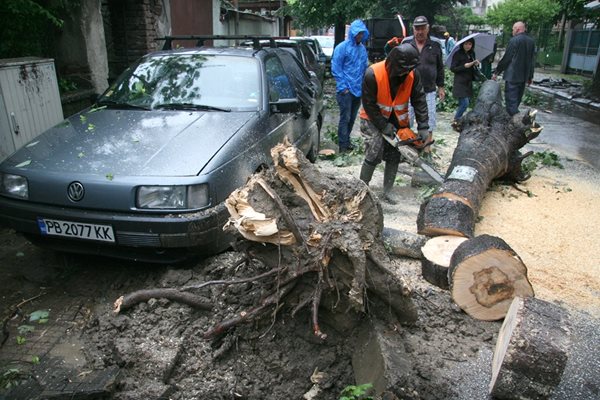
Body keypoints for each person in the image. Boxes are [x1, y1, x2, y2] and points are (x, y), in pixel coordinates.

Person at [358, 44, 429, 204]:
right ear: (394, 65)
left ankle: (388, 191)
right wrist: (383, 125)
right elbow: (369, 104)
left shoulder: (412, 75)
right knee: (374, 150)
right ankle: (362, 188)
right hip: (372, 117)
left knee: (395, 152)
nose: (405, 73)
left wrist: (423, 126)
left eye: (408, 70)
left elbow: (419, 100)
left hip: (397, 118)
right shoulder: (373, 74)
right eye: (403, 70)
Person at [403, 16, 445, 157]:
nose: (419, 31)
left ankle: (427, 150)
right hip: (408, 90)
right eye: (417, 28)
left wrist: (441, 86)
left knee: (429, 120)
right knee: (406, 120)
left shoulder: (436, 45)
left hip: (428, 90)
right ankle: (407, 148)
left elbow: (440, 67)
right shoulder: (406, 43)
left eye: (422, 28)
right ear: (413, 29)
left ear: (427, 28)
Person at [331, 19, 370, 153]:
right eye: (358, 33)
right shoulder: (342, 48)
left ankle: (347, 141)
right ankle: (342, 146)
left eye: (361, 33)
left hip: (358, 90)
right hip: (345, 91)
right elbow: (336, 68)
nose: (359, 36)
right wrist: (343, 87)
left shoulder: (362, 49)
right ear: (352, 33)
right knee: (345, 118)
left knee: (352, 118)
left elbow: (365, 68)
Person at [492, 21, 535, 116]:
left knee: (511, 104)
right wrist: (530, 76)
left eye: (513, 29)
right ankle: (514, 121)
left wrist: (497, 71)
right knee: (516, 102)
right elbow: (532, 60)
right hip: (523, 77)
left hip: (512, 76)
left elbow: (507, 58)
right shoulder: (531, 41)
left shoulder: (514, 40)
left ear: (517, 29)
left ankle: (517, 122)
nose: (512, 31)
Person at [450, 37, 480, 128]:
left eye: (470, 44)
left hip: (468, 82)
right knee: (464, 103)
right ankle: (456, 120)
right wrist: (464, 66)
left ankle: (458, 121)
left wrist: (476, 64)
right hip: (460, 82)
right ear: (462, 44)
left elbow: (474, 69)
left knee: (466, 103)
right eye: (466, 44)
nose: (467, 46)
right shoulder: (457, 54)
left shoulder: (472, 54)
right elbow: (453, 68)